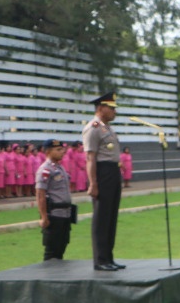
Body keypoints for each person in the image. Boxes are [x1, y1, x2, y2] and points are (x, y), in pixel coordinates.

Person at [83, 91, 125, 271]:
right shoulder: (93, 128)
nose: (115, 112)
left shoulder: (107, 128)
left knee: (111, 217)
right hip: (102, 172)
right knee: (101, 218)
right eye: (111, 108)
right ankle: (100, 260)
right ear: (101, 108)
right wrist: (93, 183)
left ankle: (109, 257)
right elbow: (90, 158)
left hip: (113, 171)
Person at [36, 139, 74, 260]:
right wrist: (43, 217)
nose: (62, 152)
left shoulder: (60, 168)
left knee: (61, 248)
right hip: (54, 214)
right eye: (58, 150)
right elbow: (40, 194)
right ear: (48, 152)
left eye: (62, 149)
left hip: (65, 213)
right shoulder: (46, 169)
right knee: (52, 251)